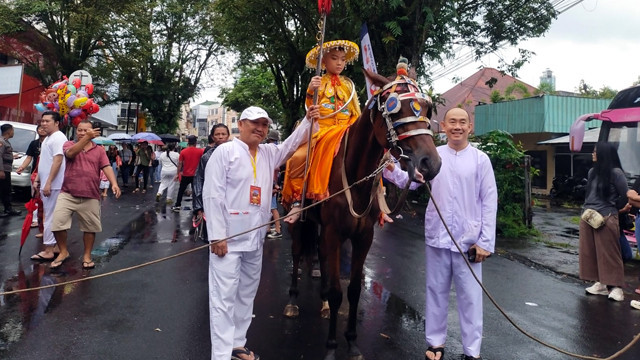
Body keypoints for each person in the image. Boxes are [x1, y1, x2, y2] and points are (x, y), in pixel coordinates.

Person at [202, 105, 318, 360]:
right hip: (228, 241)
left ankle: (237, 344)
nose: (260, 128)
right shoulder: (225, 152)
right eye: (255, 123)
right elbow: (212, 194)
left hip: (254, 239)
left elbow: (290, 145)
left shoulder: (267, 153)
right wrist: (217, 235)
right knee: (223, 298)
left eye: (265, 124)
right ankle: (220, 355)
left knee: (246, 294)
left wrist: (308, 121)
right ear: (241, 124)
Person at [383, 108, 497, 360]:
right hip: (437, 236)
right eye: (452, 122)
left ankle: (472, 350)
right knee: (435, 290)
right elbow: (411, 182)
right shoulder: (433, 157)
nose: (457, 126)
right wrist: (389, 169)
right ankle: (435, 343)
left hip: (469, 241)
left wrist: (485, 242)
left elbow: (489, 201)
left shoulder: (480, 160)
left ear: (470, 127)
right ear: (442, 126)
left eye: (462, 122)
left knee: (470, 297)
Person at [281, 40, 361, 223]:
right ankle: (297, 201)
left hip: (345, 130)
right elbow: (310, 106)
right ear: (323, 61)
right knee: (298, 157)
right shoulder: (317, 82)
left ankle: (378, 200)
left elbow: (355, 111)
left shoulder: (348, 85)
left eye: (342, 59)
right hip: (321, 130)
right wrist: (311, 91)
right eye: (334, 59)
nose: (339, 63)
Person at [49, 120, 121, 270]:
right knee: (57, 224)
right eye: (79, 130)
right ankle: (63, 252)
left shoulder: (99, 150)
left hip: (90, 194)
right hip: (68, 193)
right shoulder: (69, 145)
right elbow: (71, 154)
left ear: (93, 132)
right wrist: (86, 138)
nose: (82, 133)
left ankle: (87, 255)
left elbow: (106, 166)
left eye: (85, 130)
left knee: (90, 228)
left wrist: (114, 183)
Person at [580, 142, 627, 302]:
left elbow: (625, 196)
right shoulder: (592, 172)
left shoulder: (616, 173)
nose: (593, 154)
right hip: (589, 215)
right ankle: (599, 283)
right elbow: (589, 195)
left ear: (603, 154)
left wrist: (614, 208)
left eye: (595, 151)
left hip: (606, 216)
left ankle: (616, 288)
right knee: (590, 251)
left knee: (609, 253)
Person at [30, 111, 67, 261]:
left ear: (57, 123)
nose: (44, 124)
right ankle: (57, 246)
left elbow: (57, 161)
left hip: (54, 185)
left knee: (50, 217)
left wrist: (49, 182)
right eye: (42, 121)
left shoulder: (58, 138)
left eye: (47, 121)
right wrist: (38, 179)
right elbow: (43, 162)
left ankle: (49, 249)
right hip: (47, 182)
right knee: (51, 216)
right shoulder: (47, 139)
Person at [192, 124, 230, 216]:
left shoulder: (237, 154)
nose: (220, 137)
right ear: (213, 137)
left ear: (228, 136)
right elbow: (199, 180)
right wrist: (199, 206)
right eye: (217, 134)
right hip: (213, 201)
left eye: (223, 134)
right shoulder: (206, 157)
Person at [17, 125, 48, 233]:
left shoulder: (50, 142)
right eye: (40, 128)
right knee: (35, 197)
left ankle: (46, 221)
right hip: (35, 173)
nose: (42, 130)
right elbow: (29, 157)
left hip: (48, 174)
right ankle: (35, 219)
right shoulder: (34, 143)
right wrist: (22, 167)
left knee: (46, 198)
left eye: (44, 128)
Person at [172, 135, 203, 212]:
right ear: (195, 142)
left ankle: (178, 205)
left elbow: (180, 164)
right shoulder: (200, 151)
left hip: (186, 174)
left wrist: (177, 174)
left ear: (188, 142)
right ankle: (196, 206)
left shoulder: (183, 152)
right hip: (196, 175)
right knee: (196, 191)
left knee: (181, 190)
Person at [0, 124, 21, 216]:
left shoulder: (5, 142)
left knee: (6, 190)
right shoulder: (2, 142)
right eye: (12, 130)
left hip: (6, 169)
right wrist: (1, 170)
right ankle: (7, 209)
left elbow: (4, 155)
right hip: (3, 170)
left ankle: (8, 208)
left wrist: (12, 157)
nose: (13, 132)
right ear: (9, 131)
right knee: (4, 190)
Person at [265, 130, 282, 239]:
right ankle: (267, 228)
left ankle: (278, 229)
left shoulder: (268, 149)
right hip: (274, 182)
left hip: (270, 184)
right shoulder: (278, 149)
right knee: (269, 208)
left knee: (272, 208)